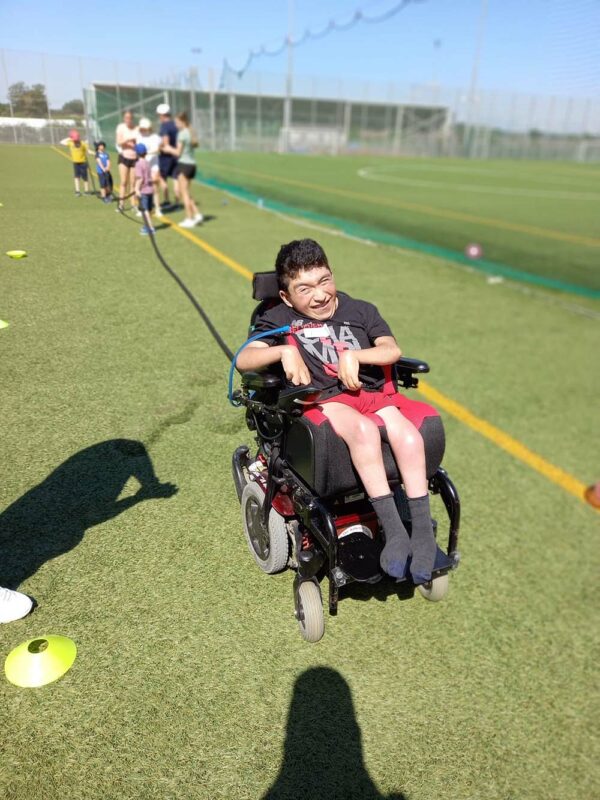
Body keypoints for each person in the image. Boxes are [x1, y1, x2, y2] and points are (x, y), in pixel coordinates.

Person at [237, 239, 438, 585]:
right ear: (286, 296)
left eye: (324, 281)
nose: (319, 296)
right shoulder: (278, 318)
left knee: (408, 434)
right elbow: (244, 359)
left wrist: (355, 356)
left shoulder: (360, 310)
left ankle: (422, 535)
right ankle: (394, 532)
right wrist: (283, 352)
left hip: (374, 396)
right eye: (305, 289)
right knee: (363, 431)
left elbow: (391, 350)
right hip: (326, 401)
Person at [161, 112, 203, 229]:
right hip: (191, 165)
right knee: (186, 192)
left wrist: (168, 148)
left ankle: (189, 219)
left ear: (182, 122)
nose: (175, 125)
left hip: (184, 165)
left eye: (177, 122)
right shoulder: (190, 132)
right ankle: (197, 214)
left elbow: (178, 153)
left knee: (183, 193)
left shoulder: (182, 134)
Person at [136, 118, 163, 219]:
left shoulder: (155, 137)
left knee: (154, 188)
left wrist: (147, 154)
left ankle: (158, 209)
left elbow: (157, 150)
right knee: (141, 187)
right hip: (143, 165)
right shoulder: (139, 137)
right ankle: (142, 208)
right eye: (142, 128)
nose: (143, 130)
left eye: (145, 128)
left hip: (153, 166)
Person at [156, 103, 180, 208]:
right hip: (176, 156)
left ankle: (167, 201)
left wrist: (158, 147)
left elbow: (166, 143)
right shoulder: (175, 124)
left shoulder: (165, 126)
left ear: (162, 115)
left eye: (159, 115)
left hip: (166, 157)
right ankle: (177, 203)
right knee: (176, 179)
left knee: (162, 178)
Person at [115, 109, 138, 212]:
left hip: (135, 158)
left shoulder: (137, 129)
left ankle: (133, 205)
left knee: (133, 183)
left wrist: (135, 142)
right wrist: (128, 140)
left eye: (130, 118)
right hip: (124, 157)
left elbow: (139, 143)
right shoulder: (120, 127)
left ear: (132, 118)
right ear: (124, 118)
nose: (128, 120)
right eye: (126, 118)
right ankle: (121, 205)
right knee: (124, 182)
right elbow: (119, 142)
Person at [59, 129, 91, 196]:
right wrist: (70, 138)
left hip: (83, 162)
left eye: (76, 139)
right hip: (76, 163)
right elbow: (61, 142)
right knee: (77, 177)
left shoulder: (83, 143)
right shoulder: (71, 143)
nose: (75, 141)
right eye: (74, 139)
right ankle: (77, 191)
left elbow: (89, 151)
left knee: (85, 178)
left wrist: (96, 154)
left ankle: (86, 191)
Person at [133, 143, 155, 236]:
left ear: (137, 153)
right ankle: (147, 226)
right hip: (150, 190)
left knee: (144, 210)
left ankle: (150, 228)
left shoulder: (138, 164)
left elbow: (140, 178)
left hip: (144, 191)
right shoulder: (147, 162)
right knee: (149, 210)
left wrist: (136, 189)